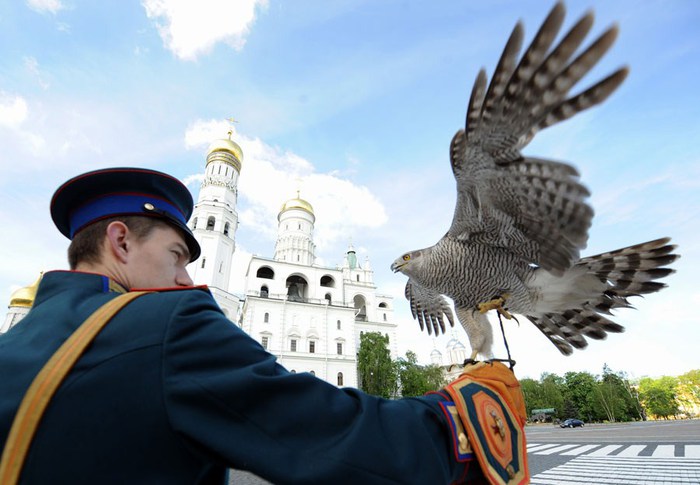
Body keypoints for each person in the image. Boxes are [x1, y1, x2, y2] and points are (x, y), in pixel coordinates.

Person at [0, 167, 528, 484]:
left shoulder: (14, 348)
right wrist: (468, 409)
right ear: (120, 243)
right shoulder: (166, 325)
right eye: (178, 255)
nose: (186, 278)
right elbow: (334, 439)